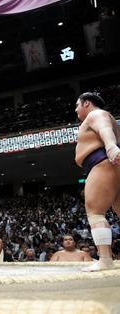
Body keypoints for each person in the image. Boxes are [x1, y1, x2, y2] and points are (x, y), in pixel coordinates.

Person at [74, 92, 120, 271]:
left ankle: (105, 259)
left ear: (86, 103)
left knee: (95, 212)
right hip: (112, 163)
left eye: (77, 105)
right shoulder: (110, 118)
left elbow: (104, 128)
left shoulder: (96, 114)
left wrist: (110, 147)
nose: (76, 109)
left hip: (103, 162)